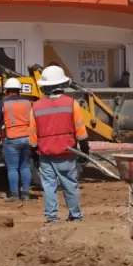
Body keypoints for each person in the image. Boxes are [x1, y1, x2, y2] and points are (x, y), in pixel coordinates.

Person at [31, 65, 88, 223]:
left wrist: (34, 153)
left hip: (46, 154)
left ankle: (51, 216)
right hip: (67, 153)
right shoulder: (71, 104)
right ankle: (75, 216)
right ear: (62, 85)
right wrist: (85, 151)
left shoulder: (35, 106)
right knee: (70, 185)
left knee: (49, 187)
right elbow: (81, 131)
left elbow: (32, 136)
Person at [0, 78, 37, 202]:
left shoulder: (3, 103)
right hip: (27, 138)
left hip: (12, 139)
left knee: (12, 168)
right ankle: (25, 194)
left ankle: (14, 195)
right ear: (19, 91)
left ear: (6, 90)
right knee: (24, 166)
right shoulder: (28, 103)